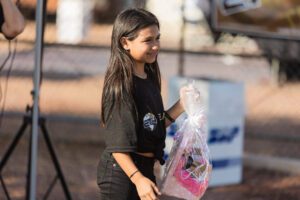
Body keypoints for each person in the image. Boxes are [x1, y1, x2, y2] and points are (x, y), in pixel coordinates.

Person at [97, 8, 187, 200]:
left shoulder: (149, 78)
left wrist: (181, 106)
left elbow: (151, 126)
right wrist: (138, 179)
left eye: (157, 38)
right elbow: (117, 146)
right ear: (125, 42)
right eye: (147, 40)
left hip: (143, 170)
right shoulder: (120, 86)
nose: (155, 46)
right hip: (122, 174)